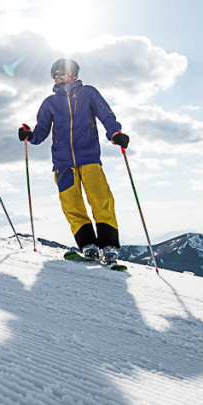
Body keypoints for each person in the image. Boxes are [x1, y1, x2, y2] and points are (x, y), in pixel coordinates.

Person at [19, 58, 130, 264]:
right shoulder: (50, 103)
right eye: (54, 74)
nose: (57, 76)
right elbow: (41, 131)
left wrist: (115, 133)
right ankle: (88, 244)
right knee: (71, 204)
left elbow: (106, 115)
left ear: (73, 73)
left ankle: (109, 245)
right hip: (62, 163)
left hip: (89, 157)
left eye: (60, 72)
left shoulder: (89, 93)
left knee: (101, 199)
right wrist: (29, 136)